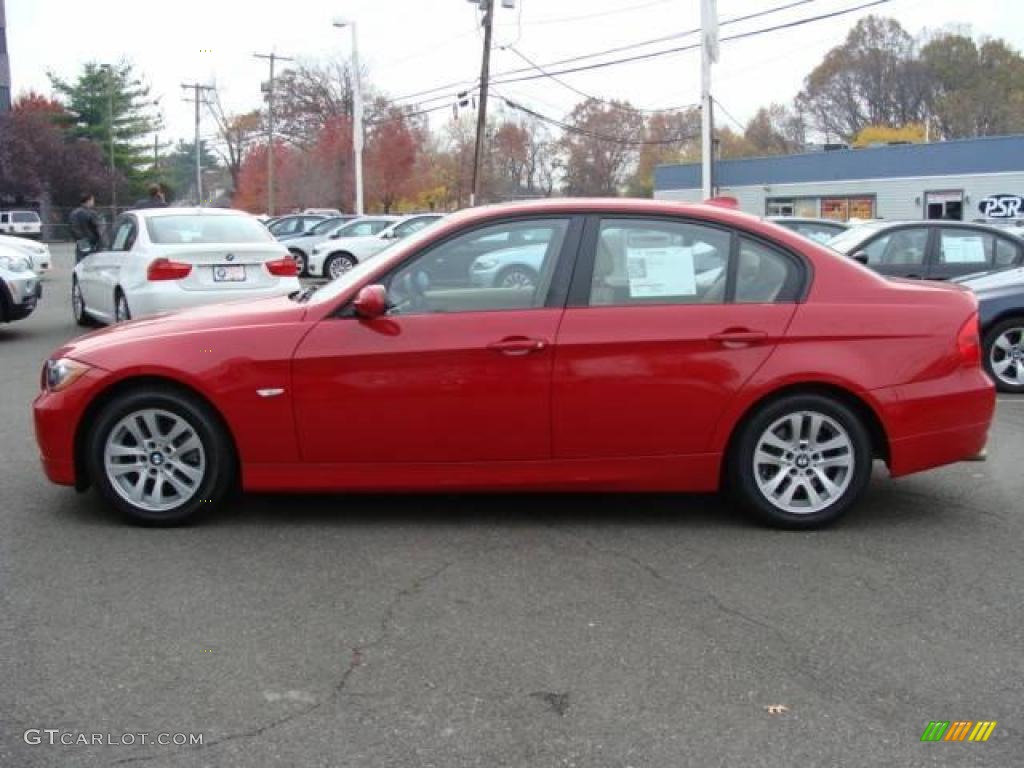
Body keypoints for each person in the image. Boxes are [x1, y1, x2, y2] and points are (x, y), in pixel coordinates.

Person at [68, 194, 103, 264]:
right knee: (92, 261)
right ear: (88, 201)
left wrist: (79, 239)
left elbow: (72, 228)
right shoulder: (91, 213)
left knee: (81, 261)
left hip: (81, 241)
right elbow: (96, 228)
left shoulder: (74, 213)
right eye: (92, 200)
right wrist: (100, 240)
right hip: (92, 241)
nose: (93, 202)